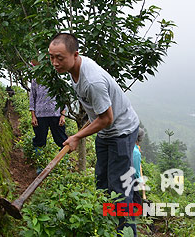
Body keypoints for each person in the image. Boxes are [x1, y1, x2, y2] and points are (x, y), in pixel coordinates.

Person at [48, 33, 139, 236]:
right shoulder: (74, 70)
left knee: (119, 187)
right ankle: (106, 226)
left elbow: (107, 118)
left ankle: (126, 232)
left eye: (59, 57)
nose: (54, 62)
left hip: (121, 131)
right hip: (106, 132)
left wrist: (77, 136)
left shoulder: (91, 81)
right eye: (51, 57)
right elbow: (98, 115)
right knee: (102, 182)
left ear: (75, 54)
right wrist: (79, 134)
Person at [29, 73, 68, 150]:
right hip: (40, 115)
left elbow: (64, 98)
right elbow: (32, 98)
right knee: (39, 140)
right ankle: (38, 159)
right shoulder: (36, 79)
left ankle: (64, 158)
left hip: (56, 114)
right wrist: (33, 116)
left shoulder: (57, 78)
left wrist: (63, 115)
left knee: (62, 140)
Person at [133, 128, 145, 205]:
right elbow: (136, 171)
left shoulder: (128, 145)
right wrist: (141, 181)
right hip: (131, 179)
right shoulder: (136, 152)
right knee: (136, 199)